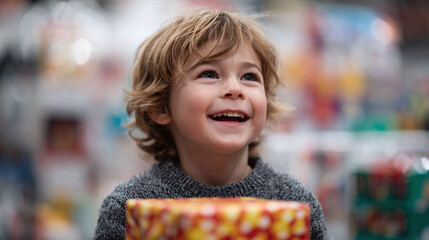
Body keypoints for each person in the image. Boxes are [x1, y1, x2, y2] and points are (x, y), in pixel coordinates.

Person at [94, 9, 328, 239]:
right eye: (209, 74)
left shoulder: (297, 205)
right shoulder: (127, 210)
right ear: (161, 107)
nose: (235, 90)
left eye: (249, 77)